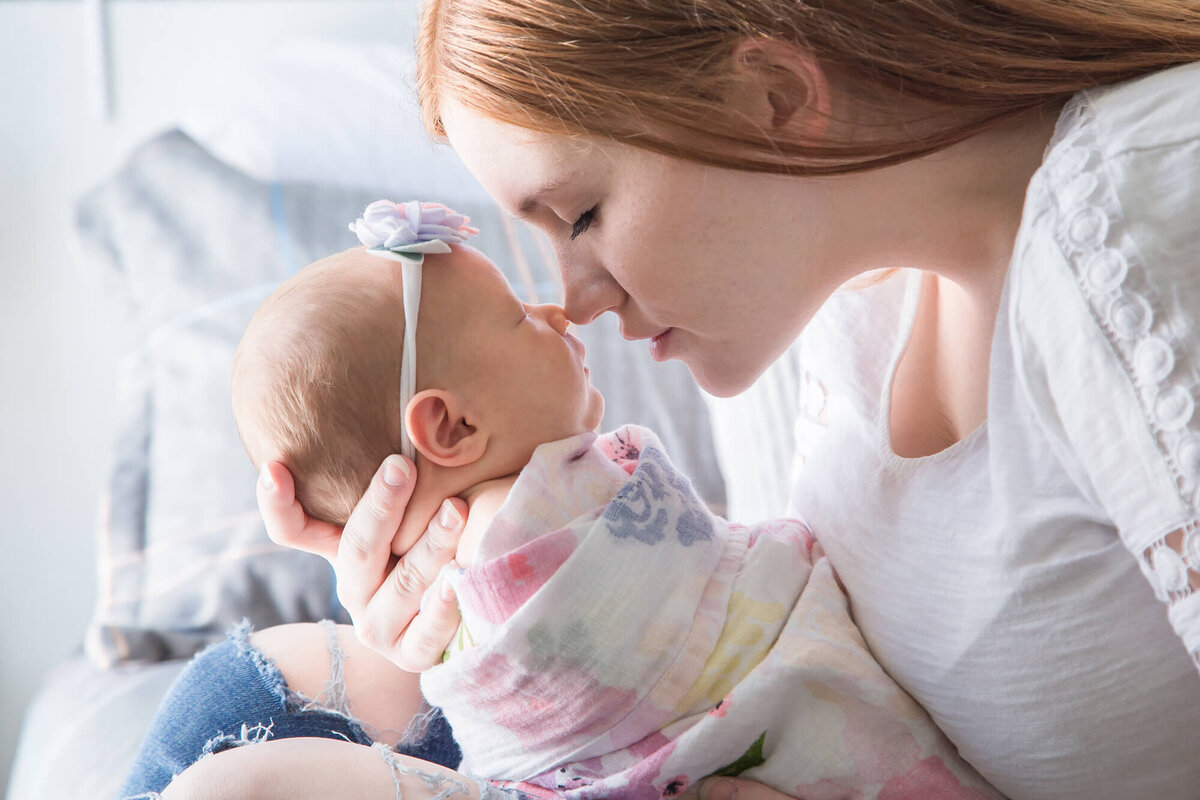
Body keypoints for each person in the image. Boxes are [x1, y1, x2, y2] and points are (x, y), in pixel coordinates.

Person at [134, 2, 1200, 799]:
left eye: (582, 213)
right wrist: (464, 613)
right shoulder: (831, 279)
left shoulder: (1130, 236)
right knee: (244, 701)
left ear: (774, 97)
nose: (576, 301)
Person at [126, 200, 1002, 798]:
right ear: (452, 428)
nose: (560, 309)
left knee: (226, 764)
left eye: (581, 212)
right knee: (225, 712)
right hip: (653, 751)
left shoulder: (505, 534)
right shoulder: (529, 517)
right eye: (517, 316)